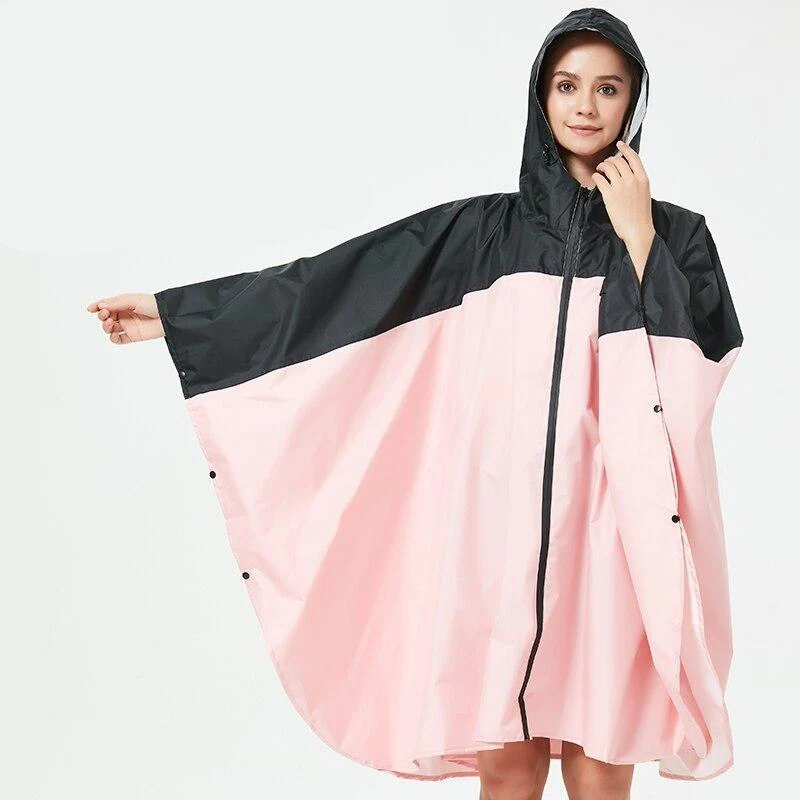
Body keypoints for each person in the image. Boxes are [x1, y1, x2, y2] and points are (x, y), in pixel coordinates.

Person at [87, 8, 742, 800]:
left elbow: (695, 377)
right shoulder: (480, 236)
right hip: (498, 544)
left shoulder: (679, 237)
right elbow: (330, 288)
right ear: (541, 96)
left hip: (613, 543)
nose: (585, 105)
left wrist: (638, 240)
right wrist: (178, 315)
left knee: (601, 766)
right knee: (508, 767)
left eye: (607, 88)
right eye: (567, 85)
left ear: (632, 100)